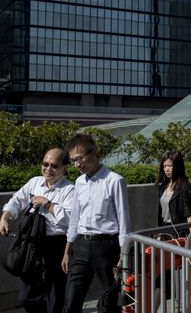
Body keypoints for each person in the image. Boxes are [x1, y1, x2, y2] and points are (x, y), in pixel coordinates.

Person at [0, 148, 74, 313]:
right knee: (27, 296)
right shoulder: (34, 182)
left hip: (57, 245)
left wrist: (47, 204)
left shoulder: (70, 190)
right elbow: (17, 199)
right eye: (45, 164)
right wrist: (5, 217)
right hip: (32, 244)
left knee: (55, 297)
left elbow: (71, 220)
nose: (48, 169)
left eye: (54, 166)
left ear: (64, 168)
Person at [62, 134, 131, 313]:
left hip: (107, 247)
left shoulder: (115, 180)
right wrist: (67, 251)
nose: (77, 164)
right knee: (70, 301)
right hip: (81, 246)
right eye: (73, 161)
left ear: (95, 153)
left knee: (109, 302)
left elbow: (124, 220)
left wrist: (123, 254)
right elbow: (75, 218)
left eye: (80, 158)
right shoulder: (79, 182)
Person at [155, 151, 191, 238]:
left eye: (170, 165)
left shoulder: (185, 187)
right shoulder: (162, 186)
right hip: (165, 230)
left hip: (179, 231)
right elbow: (161, 214)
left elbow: (188, 215)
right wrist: (159, 233)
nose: (166, 169)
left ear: (177, 166)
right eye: (164, 166)